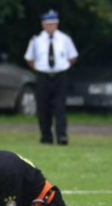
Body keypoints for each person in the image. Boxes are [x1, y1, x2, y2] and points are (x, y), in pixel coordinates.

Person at [25, 10, 78, 146]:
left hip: (60, 76)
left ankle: (62, 136)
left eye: (53, 24)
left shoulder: (64, 39)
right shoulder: (36, 40)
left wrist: (64, 67)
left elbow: (72, 56)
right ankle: (46, 137)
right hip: (43, 76)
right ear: (43, 25)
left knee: (60, 107)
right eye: (48, 24)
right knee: (43, 107)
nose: (51, 27)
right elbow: (29, 58)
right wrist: (39, 69)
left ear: (57, 24)